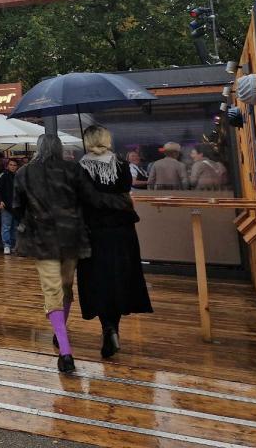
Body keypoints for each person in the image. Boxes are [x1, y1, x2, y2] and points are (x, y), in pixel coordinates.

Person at [10, 134, 96, 374]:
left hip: (43, 238)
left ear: (38, 149)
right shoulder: (74, 170)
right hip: (72, 237)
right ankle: (61, 334)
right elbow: (88, 200)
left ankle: (65, 350)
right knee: (67, 287)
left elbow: (16, 206)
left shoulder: (24, 173)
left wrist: (28, 222)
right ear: (59, 149)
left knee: (52, 290)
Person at [77, 126, 153, 359]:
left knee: (98, 280)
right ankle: (114, 328)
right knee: (119, 277)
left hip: (94, 231)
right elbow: (124, 190)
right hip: (122, 230)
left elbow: (78, 198)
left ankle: (107, 326)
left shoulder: (81, 167)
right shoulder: (120, 164)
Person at [0, 158, 19, 254]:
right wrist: (0, 201)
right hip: (6, 206)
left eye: (14, 165)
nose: (13, 167)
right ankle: (7, 245)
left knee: (14, 227)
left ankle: (13, 245)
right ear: (7, 166)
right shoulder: (4, 176)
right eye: (11, 165)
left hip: (17, 206)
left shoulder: (19, 177)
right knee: (6, 227)